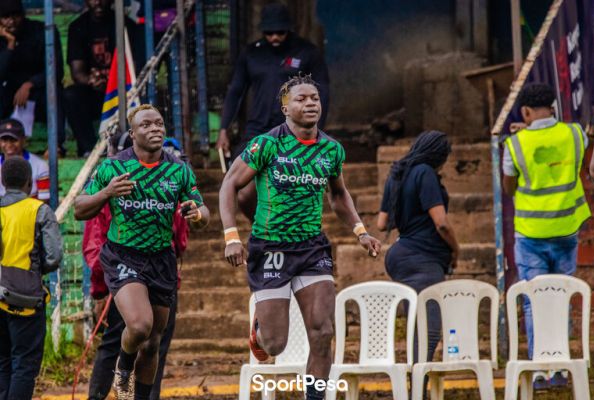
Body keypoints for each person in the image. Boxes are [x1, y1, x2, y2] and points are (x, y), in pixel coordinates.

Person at [219, 75, 380, 400]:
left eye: (314, 99)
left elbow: (339, 195)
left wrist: (360, 230)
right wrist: (232, 236)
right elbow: (229, 185)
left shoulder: (331, 149)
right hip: (270, 248)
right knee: (275, 344)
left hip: (311, 248)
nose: (310, 104)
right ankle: (259, 331)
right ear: (285, 107)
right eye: (302, 99)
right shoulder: (267, 144)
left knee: (323, 331)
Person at [74, 104, 210, 400]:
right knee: (139, 325)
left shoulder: (178, 170)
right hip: (123, 255)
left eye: (159, 124)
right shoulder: (113, 167)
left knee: (152, 344)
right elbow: (79, 209)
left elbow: (203, 212)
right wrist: (106, 192)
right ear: (133, 133)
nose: (155, 129)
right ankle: (123, 367)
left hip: (161, 259)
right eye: (146, 125)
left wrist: (196, 214)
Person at [502, 83, 590, 387]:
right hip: (567, 227)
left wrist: (522, 135)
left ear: (525, 111)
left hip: (530, 232)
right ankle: (562, 369)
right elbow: (577, 165)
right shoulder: (576, 134)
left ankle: (540, 369)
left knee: (533, 299)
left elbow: (508, 186)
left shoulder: (515, 144)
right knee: (560, 297)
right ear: (552, 106)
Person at [216, 2, 330, 219]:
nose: (275, 37)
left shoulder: (307, 52)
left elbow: (322, 93)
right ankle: (262, 228)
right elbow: (235, 91)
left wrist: (317, 132)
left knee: (289, 189)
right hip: (257, 131)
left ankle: (287, 231)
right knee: (244, 193)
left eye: (280, 32)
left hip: (293, 132)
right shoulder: (251, 54)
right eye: (269, 32)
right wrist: (223, 128)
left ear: (289, 28)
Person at [376, 131, 457, 395]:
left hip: (400, 254)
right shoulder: (425, 173)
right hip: (423, 257)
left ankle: (415, 387)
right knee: (430, 327)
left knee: (417, 325)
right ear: (439, 156)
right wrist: (456, 249)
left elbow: (381, 223)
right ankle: (416, 391)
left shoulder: (397, 174)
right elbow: (442, 222)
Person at [0, 156, 62, 399]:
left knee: (3, 361)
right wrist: (35, 271)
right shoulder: (40, 210)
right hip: (25, 300)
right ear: (29, 182)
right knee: (24, 365)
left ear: (3, 182)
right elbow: (54, 256)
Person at [64, 0, 140, 157]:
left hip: (122, 94)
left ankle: (133, 147)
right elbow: (77, 72)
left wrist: (113, 84)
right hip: (94, 93)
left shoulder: (128, 26)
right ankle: (89, 150)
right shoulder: (78, 27)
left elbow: (136, 69)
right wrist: (91, 80)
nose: (98, 2)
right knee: (71, 95)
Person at [0, 0, 66, 155]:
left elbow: (56, 70)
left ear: (23, 15)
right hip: (10, 95)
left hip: (39, 91)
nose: (11, 21)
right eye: (6, 17)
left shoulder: (40, 31)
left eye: (15, 16)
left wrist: (30, 84)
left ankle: (55, 145)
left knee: (56, 91)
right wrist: (10, 44)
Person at [0, 118, 49, 201]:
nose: (9, 144)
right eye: (4, 140)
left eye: (13, 140)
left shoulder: (40, 165)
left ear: (24, 140)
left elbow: (44, 201)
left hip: (31, 212)